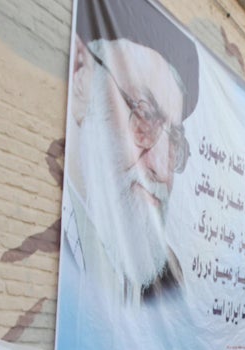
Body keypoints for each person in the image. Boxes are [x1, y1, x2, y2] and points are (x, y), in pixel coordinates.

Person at [62, 0, 199, 305]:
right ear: (81, 75)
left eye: (174, 141)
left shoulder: (168, 280)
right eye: (145, 116)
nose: (161, 169)